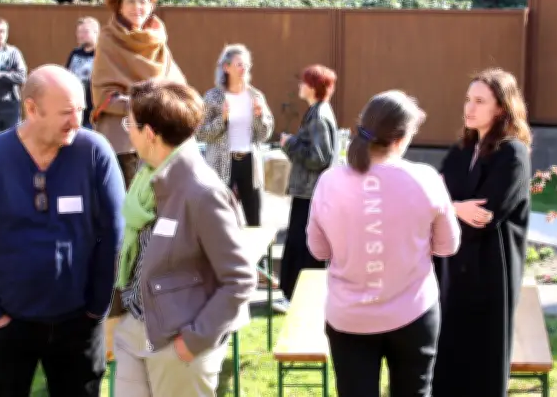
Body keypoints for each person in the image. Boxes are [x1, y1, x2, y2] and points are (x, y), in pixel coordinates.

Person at [0, 64, 126, 397]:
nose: (76, 121)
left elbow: (114, 233)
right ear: (31, 109)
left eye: (80, 110)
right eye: (66, 112)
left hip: (78, 322)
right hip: (8, 323)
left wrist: (97, 307)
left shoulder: (93, 152)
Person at [306, 90, 461, 397]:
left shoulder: (329, 182)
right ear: (400, 139)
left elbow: (318, 250)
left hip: (350, 316)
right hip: (413, 312)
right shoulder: (426, 179)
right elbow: (448, 246)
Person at [112, 79, 256, 397]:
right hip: (135, 330)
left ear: (150, 134)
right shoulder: (147, 179)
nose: (127, 131)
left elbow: (240, 280)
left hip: (178, 345)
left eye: (130, 123)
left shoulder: (201, 192)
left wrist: (192, 342)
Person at [432, 67, 533, 397]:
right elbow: (434, 196)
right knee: (448, 358)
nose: (469, 108)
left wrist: (449, 205)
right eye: (468, 99)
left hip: (489, 271)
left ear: (501, 108)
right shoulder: (462, 150)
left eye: (480, 101)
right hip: (453, 267)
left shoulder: (512, 153)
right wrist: (455, 207)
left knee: (481, 362)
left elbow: (485, 216)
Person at [91, 0, 186, 187]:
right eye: (131, 1)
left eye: (143, 1)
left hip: (160, 137)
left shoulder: (158, 40)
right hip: (123, 139)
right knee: (128, 201)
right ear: (119, 5)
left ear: (151, 5)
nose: (137, 7)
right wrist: (144, 105)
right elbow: (103, 96)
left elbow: (178, 87)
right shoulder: (108, 40)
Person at [277, 64, 338, 310]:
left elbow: (319, 157)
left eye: (304, 82)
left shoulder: (319, 115)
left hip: (310, 193)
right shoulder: (318, 112)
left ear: (313, 87)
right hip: (311, 192)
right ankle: (296, 295)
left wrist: (289, 144)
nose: (300, 86)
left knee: (301, 244)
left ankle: (294, 296)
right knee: (303, 244)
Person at [197, 44, 274, 227]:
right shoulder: (213, 97)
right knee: (219, 219)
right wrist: (222, 119)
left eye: (246, 64)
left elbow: (264, 134)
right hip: (221, 162)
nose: (244, 68)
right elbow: (200, 133)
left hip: (249, 162)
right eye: (239, 64)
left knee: (254, 219)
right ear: (226, 67)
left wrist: (259, 117)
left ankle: (255, 247)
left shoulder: (256, 96)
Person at [65, 16, 100, 129]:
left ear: (96, 33)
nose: (80, 35)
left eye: (85, 32)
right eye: (79, 32)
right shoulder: (75, 53)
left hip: (93, 111)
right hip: (75, 108)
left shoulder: (102, 55)